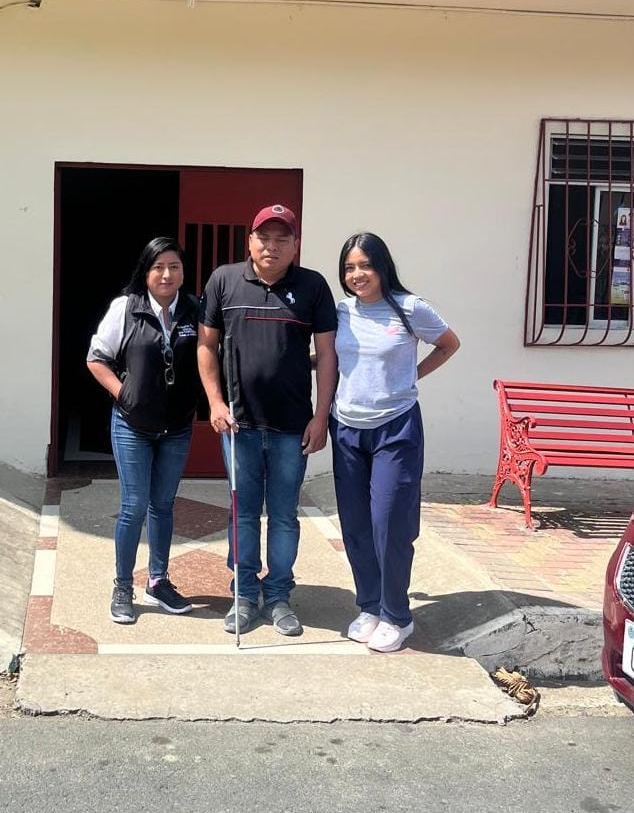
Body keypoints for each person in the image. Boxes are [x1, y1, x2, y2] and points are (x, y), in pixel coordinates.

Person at [197, 204, 338, 637]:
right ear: (250, 241)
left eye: (282, 239)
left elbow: (327, 355)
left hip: (292, 428)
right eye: (264, 238)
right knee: (242, 514)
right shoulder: (224, 280)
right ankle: (243, 593)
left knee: (283, 516)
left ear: (295, 245)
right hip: (239, 426)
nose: (271, 247)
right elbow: (206, 346)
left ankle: (278, 596)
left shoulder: (313, 286)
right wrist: (215, 403)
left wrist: (321, 416)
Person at [330, 232, 460, 653]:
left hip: (395, 427)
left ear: (383, 266)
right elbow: (330, 357)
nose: (357, 274)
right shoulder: (341, 312)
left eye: (365, 265)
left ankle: (397, 615)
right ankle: (369, 606)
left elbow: (449, 344)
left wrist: (412, 376)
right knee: (356, 525)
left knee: (389, 523)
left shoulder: (410, 308)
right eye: (349, 268)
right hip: (346, 428)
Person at [87, 237, 201, 625]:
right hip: (132, 425)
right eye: (159, 267)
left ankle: (158, 580)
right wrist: (124, 394)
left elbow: (212, 355)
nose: (167, 274)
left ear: (183, 271)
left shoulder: (195, 310)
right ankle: (123, 585)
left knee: (163, 505)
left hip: (177, 427)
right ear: (146, 271)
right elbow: (96, 359)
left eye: (174, 267)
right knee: (134, 506)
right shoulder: (126, 307)